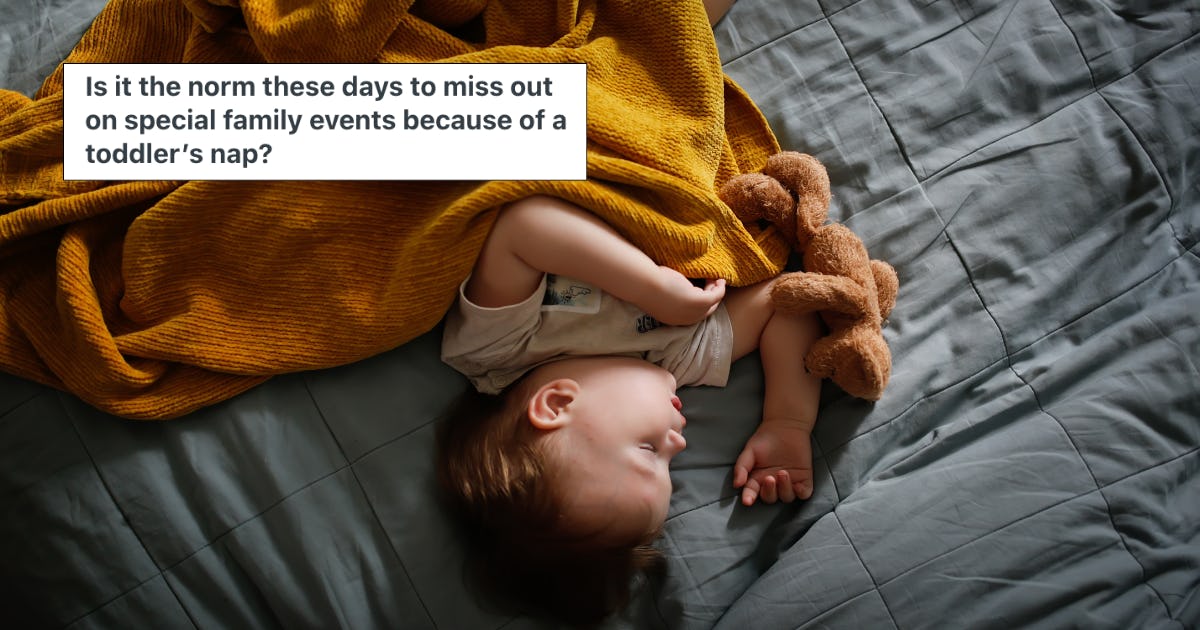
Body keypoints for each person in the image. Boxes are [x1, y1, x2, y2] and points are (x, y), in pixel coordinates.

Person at [436, 194, 822, 625]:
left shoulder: (501, 347)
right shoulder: (673, 358)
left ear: (556, 404)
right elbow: (791, 298)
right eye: (671, 464)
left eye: (647, 450)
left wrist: (650, 287)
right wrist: (788, 421)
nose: (679, 440)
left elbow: (523, 226)